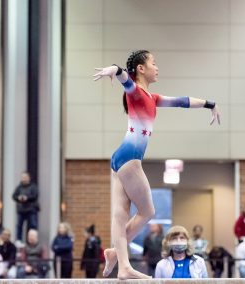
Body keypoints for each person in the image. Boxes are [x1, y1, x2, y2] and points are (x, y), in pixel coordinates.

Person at [93, 50, 220, 279]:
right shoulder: (136, 92)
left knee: (121, 214)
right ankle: (120, 262)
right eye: (154, 63)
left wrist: (209, 104)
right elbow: (125, 80)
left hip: (120, 157)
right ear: (141, 68)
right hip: (130, 158)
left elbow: (182, 101)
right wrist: (114, 69)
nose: (157, 67)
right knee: (147, 211)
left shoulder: (152, 98)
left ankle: (118, 259)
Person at [12, 172, 39, 241]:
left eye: (25, 177)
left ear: (29, 178)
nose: (24, 179)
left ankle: (33, 240)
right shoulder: (19, 187)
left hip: (31, 210)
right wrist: (19, 198)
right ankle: (19, 240)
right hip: (21, 210)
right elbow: (14, 196)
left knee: (33, 225)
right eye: (22, 177)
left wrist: (27, 198)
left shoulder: (33, 187)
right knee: (19, 226)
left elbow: (35, 195)